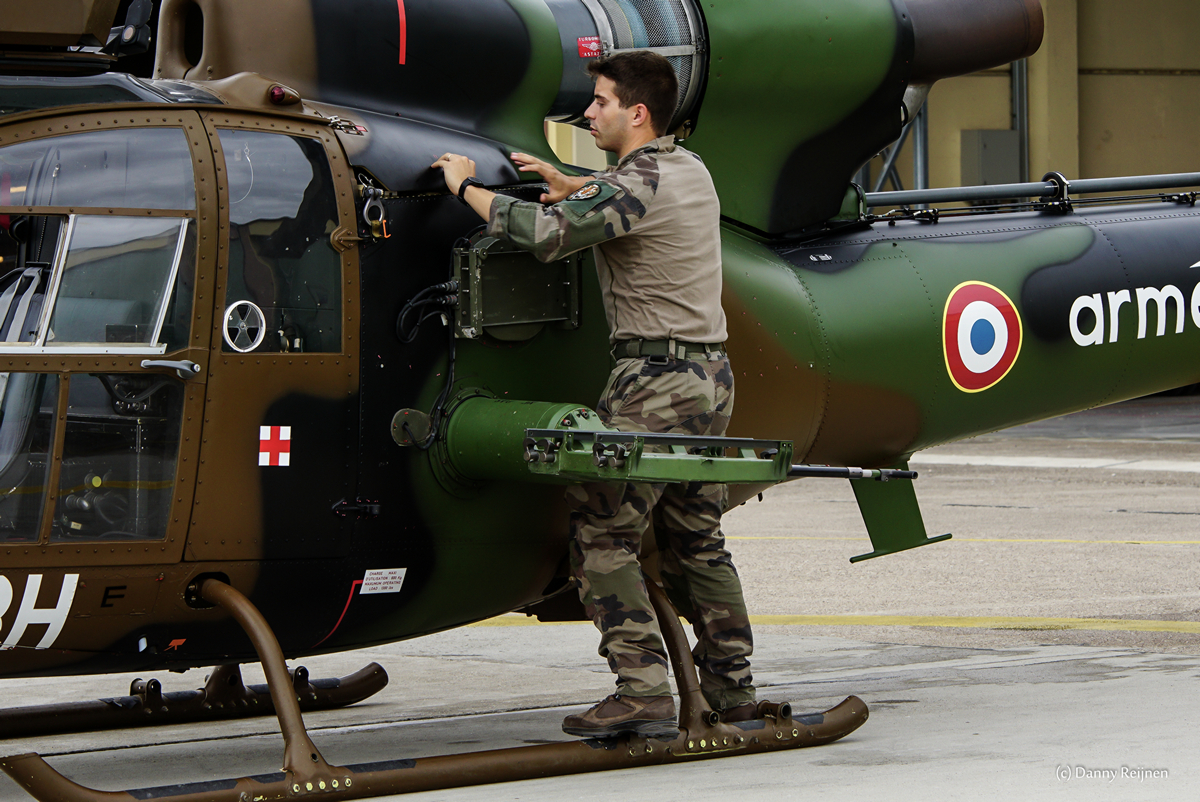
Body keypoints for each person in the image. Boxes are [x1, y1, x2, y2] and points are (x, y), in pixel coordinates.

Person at [432, 51, 756, 739]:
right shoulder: (684, 168)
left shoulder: (634, 180)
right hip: (709, 380)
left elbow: (550, 238)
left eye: (601, 101)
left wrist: (466, 188)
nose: (589, 111)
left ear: (636, 113)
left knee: (604, 531)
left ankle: (640, 689)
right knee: (696, 539)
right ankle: (732, 689)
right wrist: (569, 180)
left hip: (655, 384)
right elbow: (624, 195)